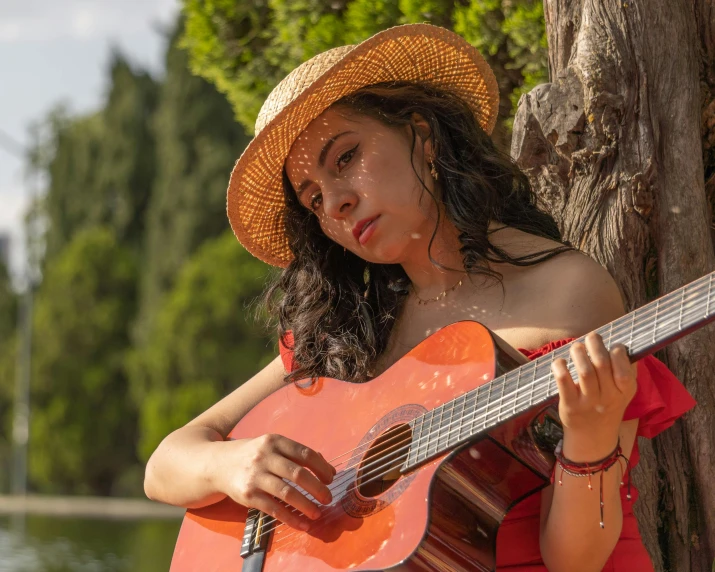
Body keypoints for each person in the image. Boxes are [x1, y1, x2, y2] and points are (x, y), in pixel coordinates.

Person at [144, 24, 696, 571]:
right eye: (313, 199)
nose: (334, 202)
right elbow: (164, 466)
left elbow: (573, 560)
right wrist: (231, 465)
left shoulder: (570, 291)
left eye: (345, 158)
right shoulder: (347, 334)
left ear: (422, 134)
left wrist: (594, 436)